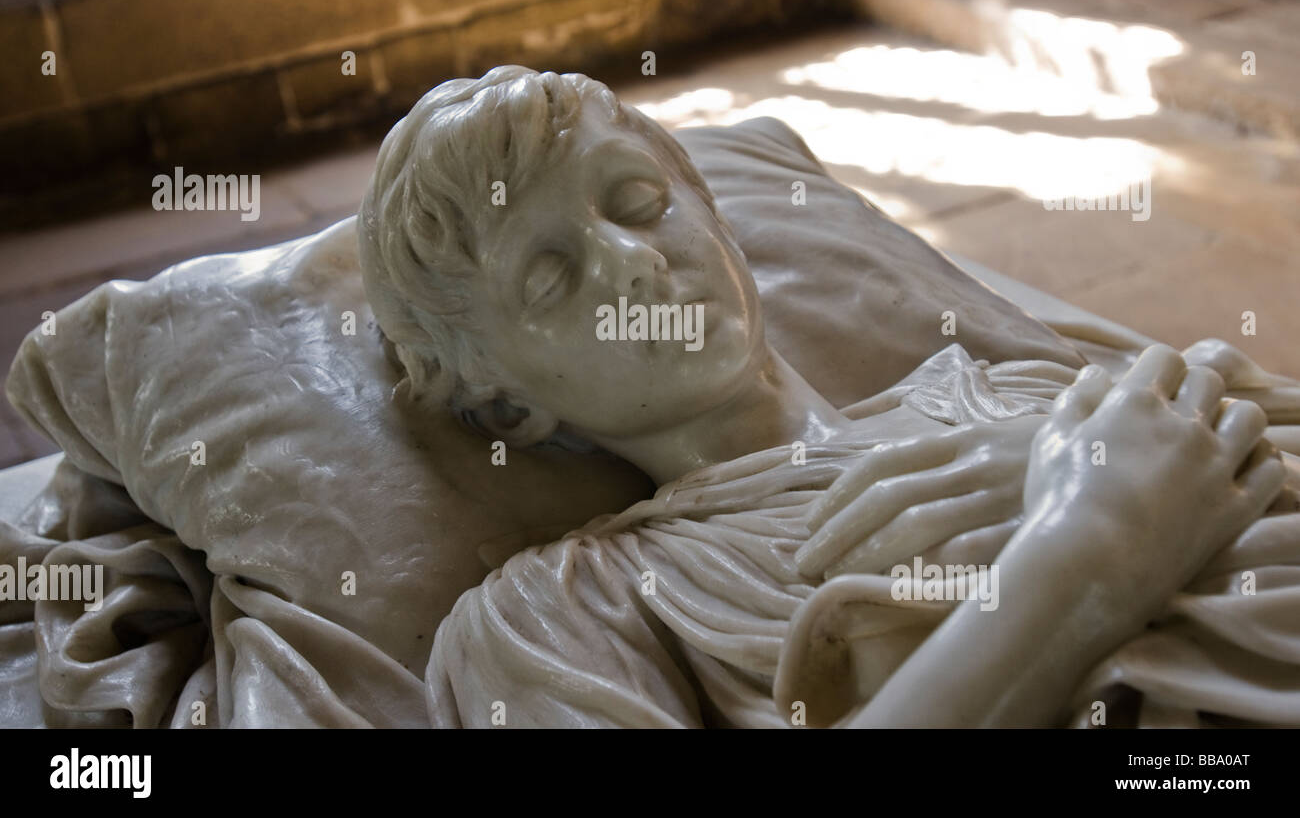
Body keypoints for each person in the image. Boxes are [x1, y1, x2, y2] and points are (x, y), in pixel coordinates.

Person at [359, 66, 1296, 728]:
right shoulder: (557, 610)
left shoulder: (1023, 398)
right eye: (552, 275)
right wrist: (1090, 549)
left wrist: (1087, 449)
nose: (633, 260)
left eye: (641, 202)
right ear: (509, 411)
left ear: (719, 221)